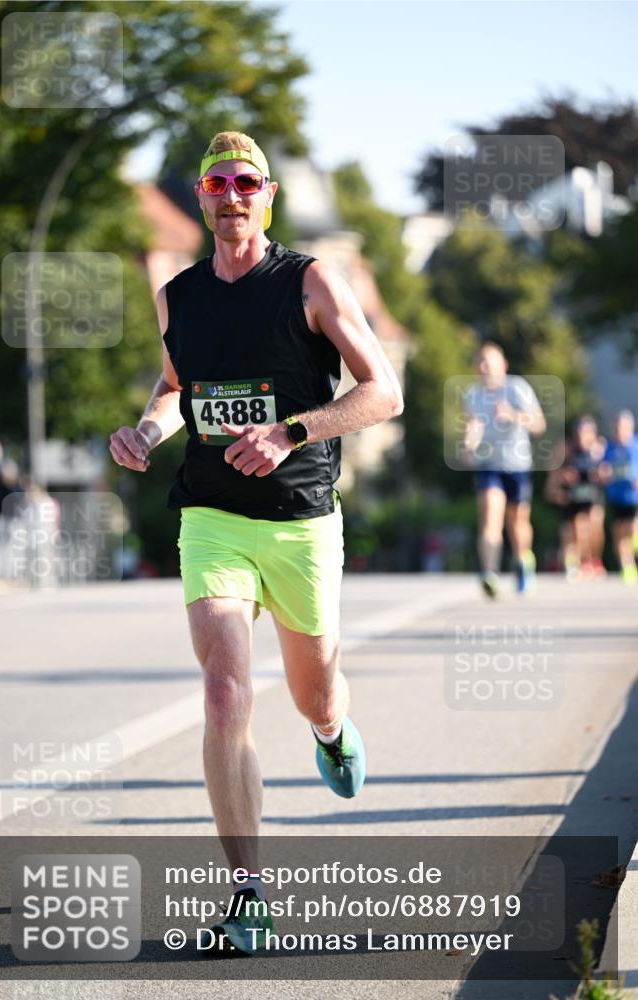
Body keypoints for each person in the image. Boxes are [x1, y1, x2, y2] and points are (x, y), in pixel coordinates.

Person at [109, 131, 403, 952]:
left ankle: (329, 730)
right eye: (216, 183)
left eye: (246, 182)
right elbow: (175, 390)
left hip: (301, 519)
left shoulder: (310, 282)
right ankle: (248, 893)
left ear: (266, 196)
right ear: (201, 199)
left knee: (314, 692)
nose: (231, 195)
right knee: (224, 690)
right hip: (211, 515)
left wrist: (292, 431)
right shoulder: (179, 295)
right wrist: (145, 430)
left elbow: (385, 392)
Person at [462, 341, 546, 598]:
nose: (484, 366)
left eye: (489, 361)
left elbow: (538, 424)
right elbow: (473, 425)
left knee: (517, 521)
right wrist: (468, 445)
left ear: (503, 365)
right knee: (490, 517)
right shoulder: (473, 395)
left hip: (518, 465)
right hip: (490, 466)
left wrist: (513, 415)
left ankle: (523, 561)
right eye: (481, 362)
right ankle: (489, 573)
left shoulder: (517, 388)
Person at [545, 417, 607, 581]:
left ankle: (593, 560)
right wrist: (562, 479)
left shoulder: (600, 450)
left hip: (592, 498)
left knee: (595, 523)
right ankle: (577, 563)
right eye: (580, 433)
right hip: (571, 500)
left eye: (587, 433)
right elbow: (550, 486)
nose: (583, 437)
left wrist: (603, 474)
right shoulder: (566, 449)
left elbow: (613, 474)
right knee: (576, 530)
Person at [599, 410, 638, 586]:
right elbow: (602, 470)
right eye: (617, 427)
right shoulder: (609, 448)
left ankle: (634, 548)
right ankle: (627, 566)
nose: (620, 431)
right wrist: (604, 473)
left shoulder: (636, 446)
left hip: (634, 497)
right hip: (616, 496)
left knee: (632, 528)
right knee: (619, 533)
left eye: (623, 427)